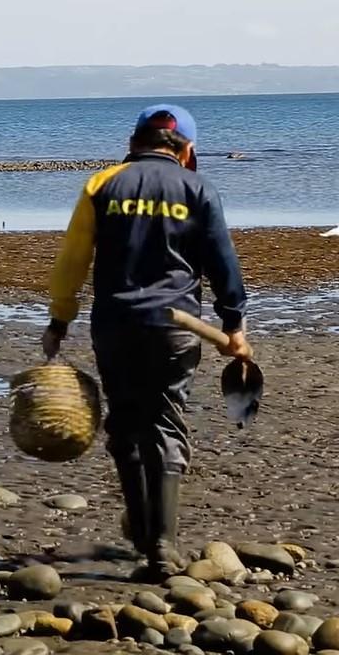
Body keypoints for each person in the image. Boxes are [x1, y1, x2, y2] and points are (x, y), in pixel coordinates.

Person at [41, 104, 252, 579]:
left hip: (116, 324)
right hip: (176, 329)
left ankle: (142, 531)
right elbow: (222, 261)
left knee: (126, 422)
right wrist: (234, 323)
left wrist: (60, 318)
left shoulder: (101, 185)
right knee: (165, 424)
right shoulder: (198, 189)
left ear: (133, 143)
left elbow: (72, 258)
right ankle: (161, 546)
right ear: (188, 150)